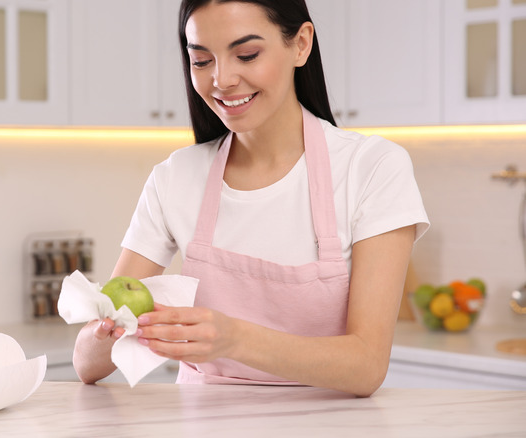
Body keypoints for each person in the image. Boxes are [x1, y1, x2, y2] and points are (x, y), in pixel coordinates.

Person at [73, 0, 429, 397]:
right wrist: (105, 331)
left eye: (246, 54)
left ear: (301, 44)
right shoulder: (175, 178)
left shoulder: (373, 167)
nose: (221, 80)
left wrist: (234, 339)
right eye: (202, 61)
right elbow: (87, 365)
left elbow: (367, 365)